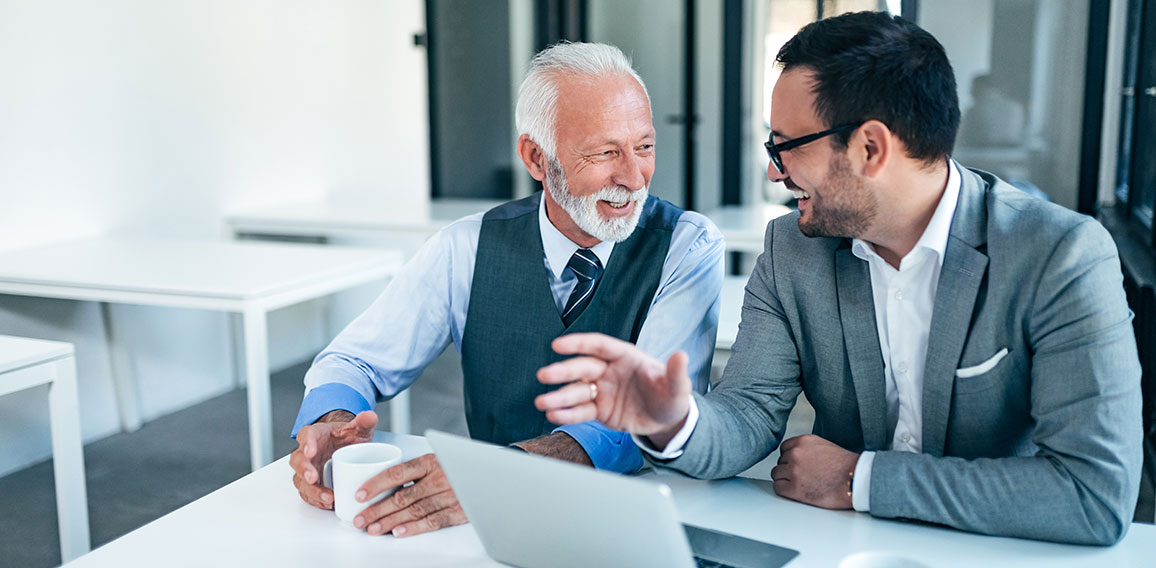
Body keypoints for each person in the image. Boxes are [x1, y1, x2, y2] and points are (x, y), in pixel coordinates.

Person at [535, 12, 1142, 546]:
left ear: (870, 148)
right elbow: (748, 413)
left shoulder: (1059, 254)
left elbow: (1093, 491)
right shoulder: (793, 249)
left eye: (786, 147)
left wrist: (862, 480)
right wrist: (674, 421)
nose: (775, 173)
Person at [288, 41, 724, 538]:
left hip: (637, 519)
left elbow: (656, 411)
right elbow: (353, 360)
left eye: (644, 147)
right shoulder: (465, 247)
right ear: (537, 158)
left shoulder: (688, 246)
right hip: (490, 525)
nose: (632, 177)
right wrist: (333, 421)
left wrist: (499, 475)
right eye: (605, 152)